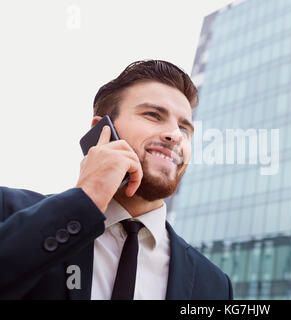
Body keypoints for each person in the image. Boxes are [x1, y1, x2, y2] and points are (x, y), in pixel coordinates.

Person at [0, 60, 233, 300]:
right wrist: (86, 198)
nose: (175, 136)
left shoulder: (215, 285)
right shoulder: (7, 209)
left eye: (184, 129)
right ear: (102, 129)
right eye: (153, 115)